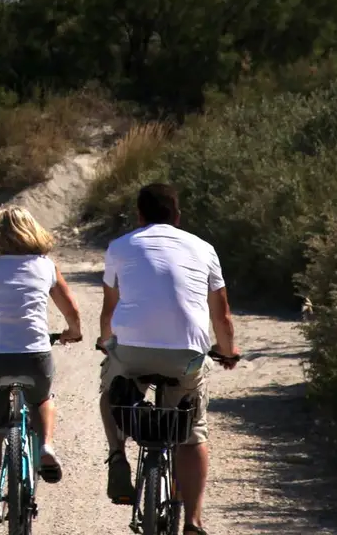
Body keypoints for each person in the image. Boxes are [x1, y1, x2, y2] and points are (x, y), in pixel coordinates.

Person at [97, 183, 240, 535]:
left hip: (132, 352)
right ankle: (192, 520)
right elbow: (221, 317)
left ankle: (117, 455)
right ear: (177, 216)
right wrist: (228, 351)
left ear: (139, 215)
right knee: (193, 432)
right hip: (186, 355)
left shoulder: (120, 246)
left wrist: (106, 343)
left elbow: (109, 309)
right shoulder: (204, 248)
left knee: (111, 388)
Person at [0, 205, 85, 526]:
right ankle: (48, 447)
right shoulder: (46, 267)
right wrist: (73, 333)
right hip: (34, 354)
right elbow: (72, 312)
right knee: (42, 398)